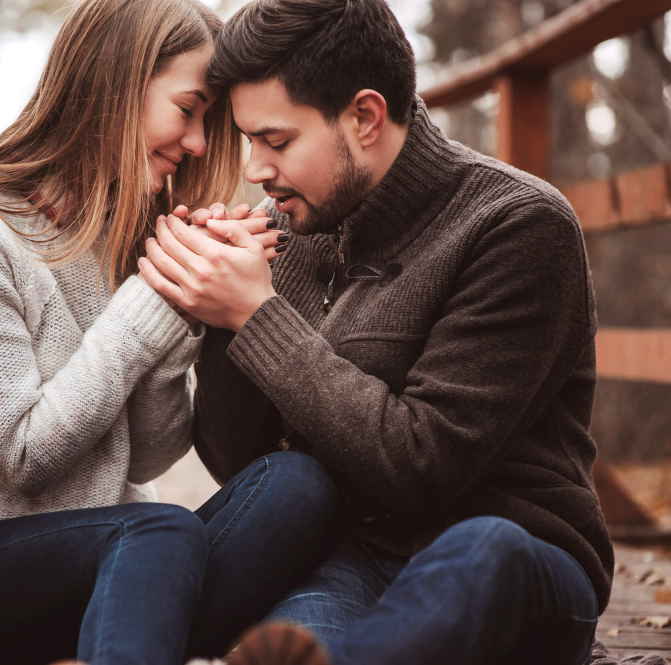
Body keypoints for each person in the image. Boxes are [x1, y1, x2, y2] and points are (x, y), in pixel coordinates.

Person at [137, 0, 613, 663]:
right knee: (302, 642)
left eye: (275, 141)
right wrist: (217, 317)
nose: (254, 171)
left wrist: (257, 315)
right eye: (248, 140)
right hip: (356, 559)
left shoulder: (519, 225)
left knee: (482, 549)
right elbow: (243, 466)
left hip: (519, 560)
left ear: (364, 117)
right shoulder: (288, 228)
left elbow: (423, 466)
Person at [0, 1, 339, 663]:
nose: (201, 144)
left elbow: (146, 456)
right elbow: (22, 455)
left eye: (208, 119)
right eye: (188, 109)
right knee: (160, 532)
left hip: (111, 560)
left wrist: (182, 311)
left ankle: (125, 639)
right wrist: (148, 303)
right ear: (117, 86)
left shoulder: (122, 229)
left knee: (298, 487)